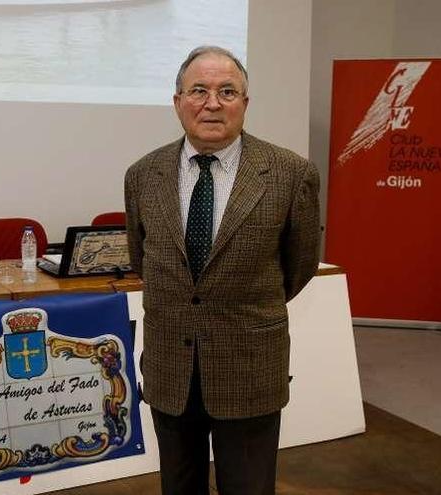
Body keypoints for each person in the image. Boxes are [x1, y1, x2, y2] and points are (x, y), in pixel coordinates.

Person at [124, 45, 320, 495]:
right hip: (170, 368)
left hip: (250, 369)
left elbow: (299, 267)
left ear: (245, 104)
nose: (212, 103)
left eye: (227, 91)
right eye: (199, 90)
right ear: (178, 102)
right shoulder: (142, 174)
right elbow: (143, 260)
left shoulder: (291, 174)